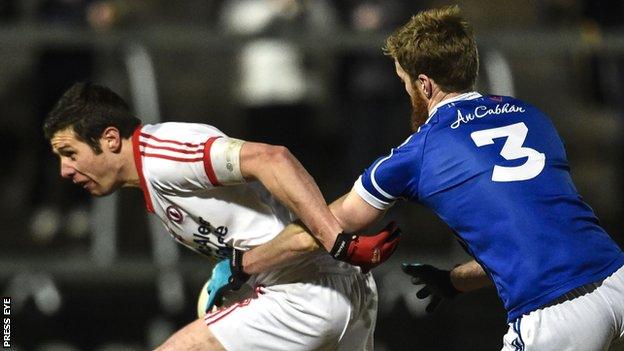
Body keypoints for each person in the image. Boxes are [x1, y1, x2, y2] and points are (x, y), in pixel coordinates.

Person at [239, 5, 624, 350]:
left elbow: (324, 228)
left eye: (405, 82)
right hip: (616, 278)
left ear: (424, 85)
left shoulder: (417, 153)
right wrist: (454, 281)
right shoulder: (531, 116)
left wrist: (246, 262)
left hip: (553, 314)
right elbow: (532, 236)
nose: (407, 91)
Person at [43, 82, 400, 350]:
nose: (64, 170)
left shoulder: (163, 155)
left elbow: (271, 158)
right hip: (345, 290)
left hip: (303, 292)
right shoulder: (153, 174)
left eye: (69, 152)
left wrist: (335, 240)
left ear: (109, 139)